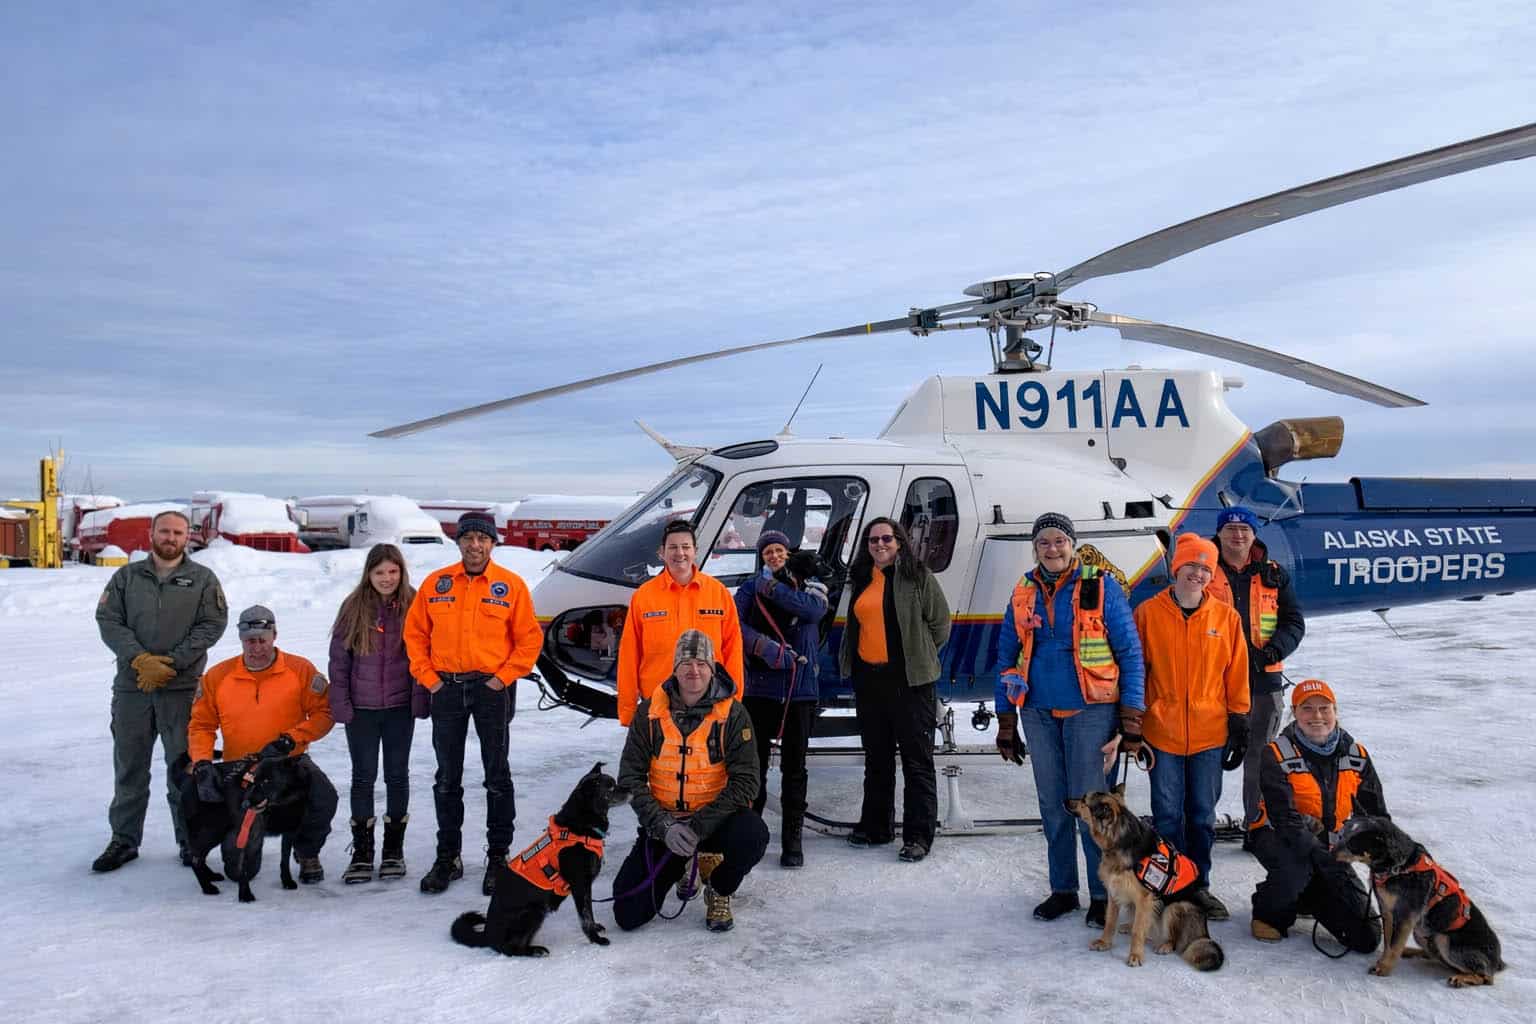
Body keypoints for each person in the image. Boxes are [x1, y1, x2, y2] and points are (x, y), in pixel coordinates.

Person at [992, 512, 1146, 926]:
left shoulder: (1101, 586)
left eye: (1060, 540)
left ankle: (1102, 895)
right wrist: (1006, 720)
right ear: (1035, 548)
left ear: (1072, 544)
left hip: (1090, 711)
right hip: (1038, 712)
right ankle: (1063, 889)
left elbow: (1130, 653)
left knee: (1094, 806)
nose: (1053, 548)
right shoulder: (1023, 590)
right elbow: (1006, 657)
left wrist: (1131, 718)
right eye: (1044, 542)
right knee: (1053, 805)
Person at [405, 510, 542, 896]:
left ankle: (498, 857)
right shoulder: (437, 583)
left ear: (493, 543)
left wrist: (502, 678)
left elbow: (529, 639)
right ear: (459, 542)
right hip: (446, 689)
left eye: (483, 539)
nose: (475, 545)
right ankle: (448, 856)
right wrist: (429, 680)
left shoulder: (510, 586)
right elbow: (415, 636)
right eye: (469, 539)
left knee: (497, 776)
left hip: (492, 690)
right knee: (447, 778)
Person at [92, 509, 228, 872]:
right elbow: (108, 620)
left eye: (178, 533)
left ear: (189, 537)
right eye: (164, 531)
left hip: (181, 691)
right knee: (129, 770)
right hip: (132, 691)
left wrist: (171, 663)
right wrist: (139, 660)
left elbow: (212, 625)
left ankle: (189, 841)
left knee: (182, 771)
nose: (171, 538)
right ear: (152, 534)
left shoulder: (202, 579)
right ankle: (123, 841)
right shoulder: (126, 577)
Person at [612, 630, 768, 933]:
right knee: (627, 914)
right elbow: (629, 778)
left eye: (701, 663)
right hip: (666, 826)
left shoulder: (733, 715)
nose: (693, 671)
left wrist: (698, 828)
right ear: (674, 668)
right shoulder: (649, 713)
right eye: (686, 663)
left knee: (753, 835)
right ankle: (684, 864)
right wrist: (663, 826)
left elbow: (748, 782)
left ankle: (719, 888)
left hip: (714, 821)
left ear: (712, 668)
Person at [1134, 532, 1250, 920]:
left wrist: (1240, 720)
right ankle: (1169, 885)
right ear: (1176, 567)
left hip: (1209, 732)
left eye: (1205, 568)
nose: (1198, 574)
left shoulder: (1225, 617)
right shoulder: (1148, 614)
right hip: (1161, 731)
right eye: (1191, 566)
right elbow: (1137, 671)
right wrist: (1133, 723)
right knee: (1166, 814)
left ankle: (1198, 886)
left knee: (1201, 814)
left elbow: (1236, 673)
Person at [187, 605, 338, 882]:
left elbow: (325, 713)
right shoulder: (218, 677)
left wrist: (293, 738)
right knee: (239, 872)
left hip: (289, 761)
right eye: (250, 641)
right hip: (240, 767)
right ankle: (238, 843)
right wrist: (203, 763)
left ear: (274, 636)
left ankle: (306, 852)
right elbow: (201, 725)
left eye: (262, 640)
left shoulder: (300, 669)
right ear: (241, 639)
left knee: (324, 797)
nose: (257, 648)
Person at [838, 517, 952, 863]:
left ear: (899, 541)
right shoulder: (860, 579)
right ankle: (876, 826)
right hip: (869, 681)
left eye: (886, 538)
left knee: (917, 761)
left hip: (910, 682)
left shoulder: (917, 577)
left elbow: (940, 623)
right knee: (877, 758)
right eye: (873, 540)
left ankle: (918, 835)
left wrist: (919, 655)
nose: (880, 545)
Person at [1249, 679, 1385, 952]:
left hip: (1332, 849)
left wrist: (1382, 854)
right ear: (1295, 713)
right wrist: (1323, 858)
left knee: (1366, 937)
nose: (1317, 716)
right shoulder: (1275, 753)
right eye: (1307, 709)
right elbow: (1284, 818)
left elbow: (1376, 815)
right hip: (1278, 838)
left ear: (1335, 711)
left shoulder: (1357, 755)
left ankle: (1309, 896)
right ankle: (1268, 913)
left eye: (1324, 708)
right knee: (1296, 869)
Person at [328, 543, 430, 883]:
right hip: (363, 710)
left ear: (401, 572)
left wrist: (420, 699)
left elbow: (422, 658)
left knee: (397, 776)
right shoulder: (353, 607)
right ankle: (362, 852)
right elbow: (339, 662)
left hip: (400, 708)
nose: (386, 578)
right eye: (379, 572)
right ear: (368, 574)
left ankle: (393, 851)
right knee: (363, 777)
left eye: (393, 571)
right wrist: (340, 702)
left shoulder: (415, 605)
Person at [1206, 506, 1306, 834]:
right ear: (1219, 533)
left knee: (1260, 759)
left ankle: (1258, 826)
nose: (1237, 535)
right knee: (1207, 756)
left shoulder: (1273, 573)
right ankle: (1200, 824)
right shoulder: (1202, 570)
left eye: (1244, 529)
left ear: (1253, 534)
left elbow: (1293, 622)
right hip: (1213, 680)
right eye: (1230, 528)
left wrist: (1274, 651)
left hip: (1264, 681)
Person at [733, 530, 829, 868]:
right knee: (753, 767)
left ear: (788, 554)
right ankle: (751, 835)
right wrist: (764, 647)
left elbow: (813, 611)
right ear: (761, 557)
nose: (774, 555)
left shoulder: (809, 584)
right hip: (759, 689)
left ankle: (793, 841)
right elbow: (734, 625)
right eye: (768, 552)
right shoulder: (748, 589)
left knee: (794, 769)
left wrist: (772, 587)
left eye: (779, 550)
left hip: (798, 690)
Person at [616, 518, 745, 727]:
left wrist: (733, 704)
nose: (680, 553)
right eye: (673, 547)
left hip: (710, 706)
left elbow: (734, 652)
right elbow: (629, 655)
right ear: (662, 552)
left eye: (686, 547)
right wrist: (628, 710)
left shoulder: (718, 593)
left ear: (695, 551)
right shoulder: (644, 596)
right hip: (658, 706)